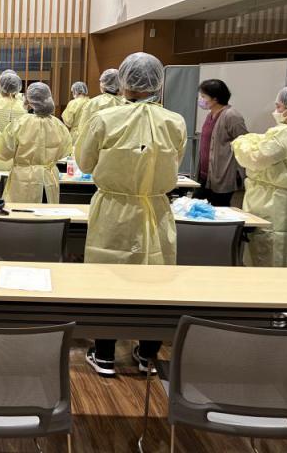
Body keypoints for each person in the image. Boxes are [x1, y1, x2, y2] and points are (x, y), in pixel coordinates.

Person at [76, 52, 186, 377]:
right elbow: (175, 161)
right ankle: (147, 354)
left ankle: (105, 354)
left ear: (123, 80)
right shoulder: (174, 121)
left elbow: (84, 162)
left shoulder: (105, 119)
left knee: (107, 280)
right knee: (155, 282)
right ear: (158, 83)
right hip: (156, 209)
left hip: (114, 209)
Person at [232, 85, 287, 268]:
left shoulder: (285, 134)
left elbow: (255, 158)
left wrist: (242, 141)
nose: (276, 111)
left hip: (272, 202)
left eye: (279, 107)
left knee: (267, 250)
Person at [0, 82, 71, 203]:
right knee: (48, 213)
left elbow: (2, 152)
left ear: (29, 100)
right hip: (49, 179)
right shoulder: (58, 125)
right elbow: (64, 151)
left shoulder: (20, 123)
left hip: (24, 180)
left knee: (22, 213)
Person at [194, 79, 248, 206]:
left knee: (218, 210)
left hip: (222, 176)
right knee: (195, 207)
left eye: (203, 96)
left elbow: (245, 142)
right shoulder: (210, 114)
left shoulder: (231, 116)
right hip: (205, 176)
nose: (200, 99)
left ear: (215, 99)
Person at [75, 69, 124, 146]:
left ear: (103, 84)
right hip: (121, 147)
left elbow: (83, 129)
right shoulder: (126, 103)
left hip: (97, 146)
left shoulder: (93, 103)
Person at [61, 81, 90, 147]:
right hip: (88, 134)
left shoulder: (73, 103)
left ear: (75, 91)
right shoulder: (91, 102)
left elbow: (68, 121)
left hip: (75, 136)